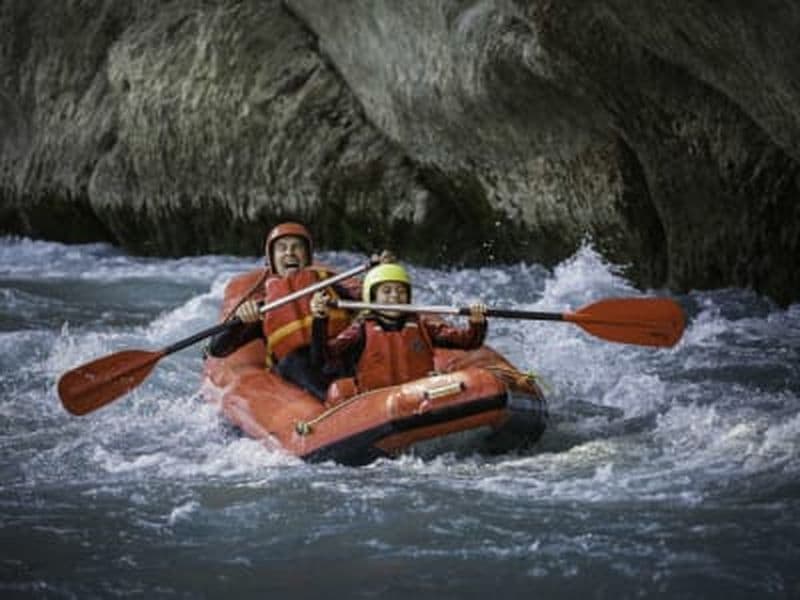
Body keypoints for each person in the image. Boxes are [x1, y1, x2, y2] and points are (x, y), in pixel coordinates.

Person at [207, 221, 390, 399]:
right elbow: (217, 349)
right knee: (295, 360)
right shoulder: (266, 307)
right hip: (299, 371)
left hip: (337, 357)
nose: (290, 253)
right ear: (272, 259)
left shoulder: (332, 287)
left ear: (307, 256)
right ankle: (338, 401)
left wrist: (382, 274)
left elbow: (373, 303)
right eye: (282, 248)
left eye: (297, 247)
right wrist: (240, 323)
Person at [309, 263, 487, 402]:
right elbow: (323, 356)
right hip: (377, 404)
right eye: (386, 291)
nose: (395, 297)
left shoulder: (422, 325)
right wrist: (320, 320)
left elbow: (468, 342)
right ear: (372, 298)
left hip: (421, 396)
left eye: (401, 291)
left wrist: (477, 323)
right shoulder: (360, 330)